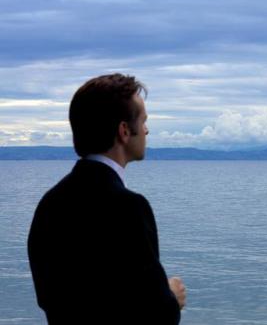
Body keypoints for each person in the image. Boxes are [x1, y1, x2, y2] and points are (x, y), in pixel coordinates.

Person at [27, 74, 186, 324]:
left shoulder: (50, 203)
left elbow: (51, 298)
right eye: (143, 121)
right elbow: (155, 315)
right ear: (124, 131)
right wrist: (171, 298)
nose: (147, 130)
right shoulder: (129, 207)